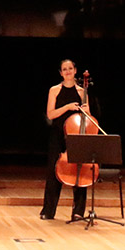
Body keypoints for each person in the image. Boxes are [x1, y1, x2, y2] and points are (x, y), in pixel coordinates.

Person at [41, 58, 91, 221]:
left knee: (80, 172)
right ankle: (48, 211)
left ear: (75, 70)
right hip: (57, 135)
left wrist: (86, 110)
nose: (68, 71)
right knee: (53, 172)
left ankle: (78, 211)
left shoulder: (82, 91)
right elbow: (50, 114)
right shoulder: (54, 90)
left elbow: (88, 117)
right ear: (61, 73)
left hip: (76, 136)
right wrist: (67, 107)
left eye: (70, 68)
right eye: (64, 69)